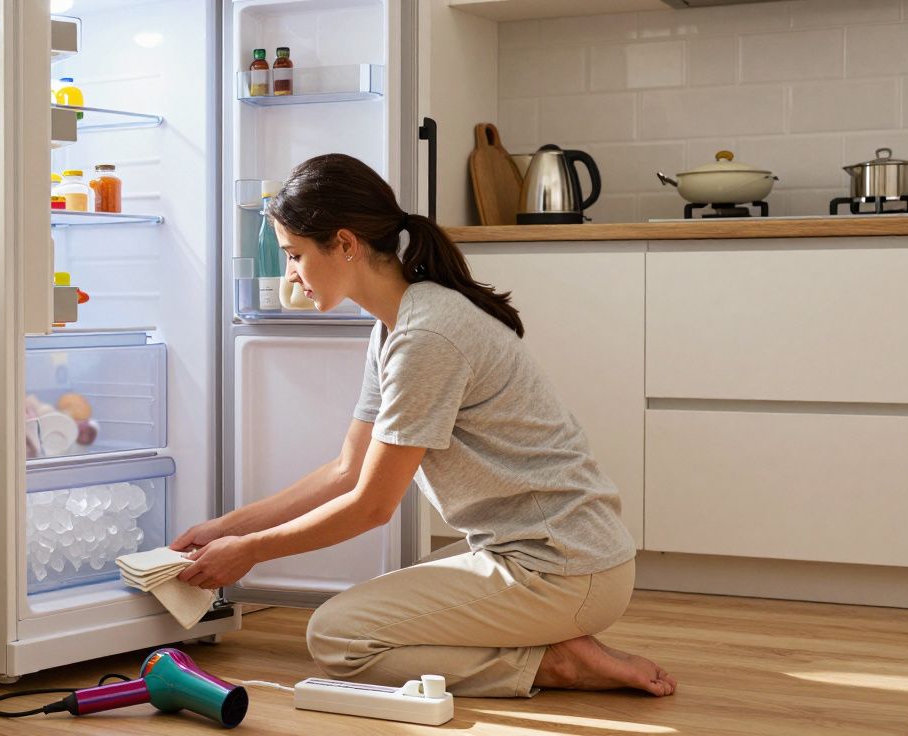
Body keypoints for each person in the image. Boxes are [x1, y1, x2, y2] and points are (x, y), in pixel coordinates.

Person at [170, 153, 676, 699]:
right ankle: (554, 643)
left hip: (564, 567)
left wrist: (251, 551)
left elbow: (371, 506)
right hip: (533, 552)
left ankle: (553, 664)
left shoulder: (426, 336)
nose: (289, 273)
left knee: (337, 637)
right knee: (380, 607)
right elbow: (347, 471)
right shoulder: (395, 326)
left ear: (344, 244)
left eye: (294, 255)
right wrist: (228, 529)